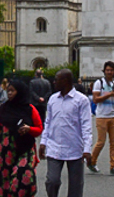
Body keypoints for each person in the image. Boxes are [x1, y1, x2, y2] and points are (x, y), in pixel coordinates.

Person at [0, 77, 43, 197]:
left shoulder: (30, 109)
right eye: (8, 90)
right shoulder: (2, 109)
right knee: (3, 186)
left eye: (12, 91)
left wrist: (30, 129)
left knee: (22, 178)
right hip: (3, 153)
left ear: (20, 92)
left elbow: (39, 129)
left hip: (25, 149)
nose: (9, 93)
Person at [40, 69, 93, 197]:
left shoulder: (81, 100)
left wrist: (87, 149)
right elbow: (48, 122)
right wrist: (43, 142)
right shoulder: (53, 99)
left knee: (76, 186)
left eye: (56, 79)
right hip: (54, 147)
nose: (54, 82)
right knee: (52, 181)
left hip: (74, 148)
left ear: (65, 81)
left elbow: (86, 126)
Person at [88, 61, 114, 176]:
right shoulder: (99, 83)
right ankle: (91, 161)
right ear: (104, 71)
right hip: (102, 116)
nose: (109, 72)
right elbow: (95, 99)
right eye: (107, 70)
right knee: (101, 142)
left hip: (113, 115)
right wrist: (109, 95)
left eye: (111, 70)